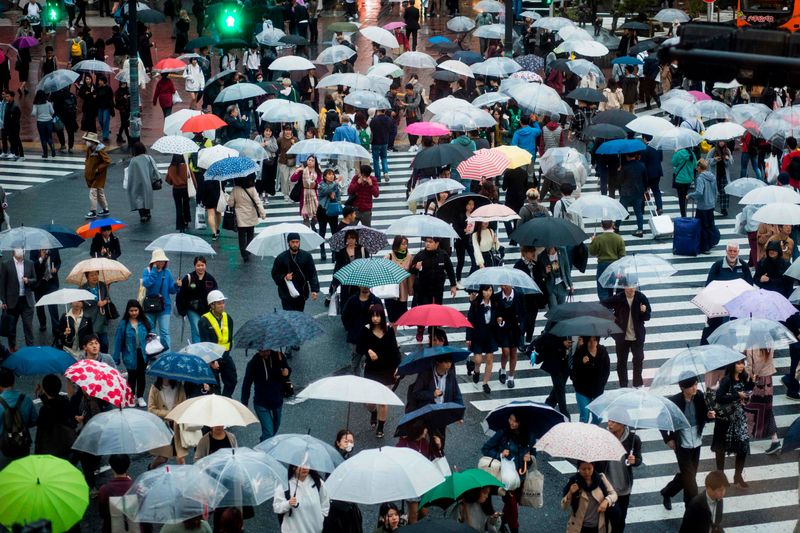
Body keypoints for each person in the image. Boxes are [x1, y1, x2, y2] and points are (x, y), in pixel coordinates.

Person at [661, 377, 716, 510]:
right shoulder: (674, 402)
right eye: (691, 386)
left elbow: (703, 415)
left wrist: (708, 415)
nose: (694, 388)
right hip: (682, 444)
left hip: (696, 442)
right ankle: (691, 508)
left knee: (688, 476)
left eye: (696, 384)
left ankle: (667, 492)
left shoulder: (699, 396)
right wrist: (668, 439)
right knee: (690, 479)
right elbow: (661, 420)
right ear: (682, 388)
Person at [481, 413, 533, 533]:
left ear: (522, 423)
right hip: (506, 477)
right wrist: (500, 455)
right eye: (510, 419)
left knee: (512, 505)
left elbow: (532, 455)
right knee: (513, 506)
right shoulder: (503, 433)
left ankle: (500, 521)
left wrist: (529, 458)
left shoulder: (529, 436)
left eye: (515, 421)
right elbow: (485, 448)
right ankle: (514, 530)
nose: (512, 423)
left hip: (520, 478)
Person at [358, 304, 401, 438]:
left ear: (382, 316)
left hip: (387, 369)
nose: (375, 318)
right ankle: (373, 412)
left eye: (378, 315)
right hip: (372, 370)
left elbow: (395, 351)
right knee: (370, 402)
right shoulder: (365, 330)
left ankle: (381, 427)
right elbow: (359, 348)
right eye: (373, 316)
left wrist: (398, 368)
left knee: (383, 401)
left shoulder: (388, 330)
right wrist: (368, 350)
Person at [406, 352, 463, 449]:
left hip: (442, 413)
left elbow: (456, 394)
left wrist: (459, 414)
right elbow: (416, 393)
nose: (449, 365)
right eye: (445, 362)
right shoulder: (426, 374)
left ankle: (439, 456)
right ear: (438, 362)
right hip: (426, 413)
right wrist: (431, 394)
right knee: (426, 440)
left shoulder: (451, 375)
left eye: (450, 362)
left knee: (440, 440)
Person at [711, 360, 755, 489]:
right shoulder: (726, 380)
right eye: (738, 364)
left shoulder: (744, 377)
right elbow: (719, 397)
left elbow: (747, 392)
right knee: (721, 449)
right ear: (732, 365)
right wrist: (737, 395)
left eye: (743, 363)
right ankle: (721, 477)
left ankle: (738, 475)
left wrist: (752, 382)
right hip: (725, 419)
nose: (741, 366)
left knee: (742, 447)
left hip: (739, 418)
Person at [410, 237, 457, 341]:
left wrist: (453, 285)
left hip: (438, 289)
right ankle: (420, 329)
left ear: (437, 243)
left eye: (430, 242)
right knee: (423, 311)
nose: (427, 244)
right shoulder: (420, 255)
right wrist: (415, 268)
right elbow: (411, 270)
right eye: (426, 241)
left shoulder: (443, 255)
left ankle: (433, 331)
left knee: (436, 311)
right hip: (423, 289)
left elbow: (450, 270)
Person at [605, 285, 650, 388]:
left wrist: (644, 311)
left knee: (638, 359)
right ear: (624, 287)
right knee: (621, 362)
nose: (631, 289)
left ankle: (637, 384)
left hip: (637, 336)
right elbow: (603, 304)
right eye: (629, 287)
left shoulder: (641, 298)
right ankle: (623, 386)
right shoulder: (618, 298)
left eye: (633, 287)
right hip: (621, 337)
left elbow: (647, 317)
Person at [241, 349, 290, 442]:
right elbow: (247, 383)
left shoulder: (279, 356)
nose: (263, 353)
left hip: (277, 400)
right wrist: (244, 402)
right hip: (261, 403)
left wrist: (287, 372)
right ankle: (265, 452)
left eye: (265, 351)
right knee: (269, 433)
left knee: (274, 429)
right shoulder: (254, 362)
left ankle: (262, 444)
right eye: (260, 351)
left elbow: (287, 369)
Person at [604, 419, 642, 532]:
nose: (609, 424)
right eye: (609, 420)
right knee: (607, 518)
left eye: (613, 422)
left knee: (620, 519)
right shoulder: (604, 437)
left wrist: (634, 461)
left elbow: (639, 459)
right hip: (607, 487)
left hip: (624, 487)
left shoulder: (633, 439)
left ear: (622, 424)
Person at [199, 290, 237, 398]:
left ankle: (225, 399)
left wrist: (226, 354)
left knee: (232, 380)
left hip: (225, 355)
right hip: (213, 358)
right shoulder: (204, 321)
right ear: (212, 305)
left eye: (223, 302)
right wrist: (212, 361)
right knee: (215, 386)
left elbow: (229, 339)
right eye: (219, 303)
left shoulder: (228, 318)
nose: (222, 305)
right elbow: (205, 342)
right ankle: (218, 402)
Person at [561, 461, 618, 533]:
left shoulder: (601, 478)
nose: (587, 472)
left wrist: (606, 501)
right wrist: (570, 493)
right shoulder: (574, 481)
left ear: (593, 467)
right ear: (578, 469)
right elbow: (564, 506)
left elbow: (614, 494)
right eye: (583, 469)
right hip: (579, 527)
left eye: (589, 468)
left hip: (598, 526)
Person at [112, 299, 150, 408]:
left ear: (139, 310)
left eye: (136, 310)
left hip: (142, 353)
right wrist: (116, 357)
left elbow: (152, 334)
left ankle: (140, 396)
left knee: (141, 375)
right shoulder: (123, 324)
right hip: (129, 354)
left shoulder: (145, 321)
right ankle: (131, 396)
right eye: (131, 311)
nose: (134, 313)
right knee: (132, 376)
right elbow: (118, 341)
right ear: (127, 311)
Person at [142, 248, 181, 352]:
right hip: (149, 306)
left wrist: (176, 285)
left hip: (164, 306)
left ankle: (167, 355)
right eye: (159, 260)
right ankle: (151, 353)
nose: (162, 262)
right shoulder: (147, 271)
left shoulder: (167, 273)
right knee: (151, 332)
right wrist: (154, 271)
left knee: (164, 332)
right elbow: (147, 283)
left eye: (163, 260)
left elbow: (171, 290)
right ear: (154, 261)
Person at [271, 232, 320, 313]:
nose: (295, 244)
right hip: (286, 292)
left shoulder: (306, 256)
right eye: (293, 242)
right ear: (288, 243)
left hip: (301, 291)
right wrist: (285, 277)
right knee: (288, 315)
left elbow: (312, 273)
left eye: (297, 242)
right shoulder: (281, 258)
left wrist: (314, 290)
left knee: (299, 315)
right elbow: (275, 274)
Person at [273, 466, 330, 532]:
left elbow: (325, 503)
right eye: (301, 464)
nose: (304, 468)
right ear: (294, 467)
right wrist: (288, 503)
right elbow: (277, 507)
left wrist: (321, 519)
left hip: (314, 530)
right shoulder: (284, 484)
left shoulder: (318, 482)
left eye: (307, 464)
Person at [0, 367, 37, 468]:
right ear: (13, 382)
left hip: (3, 447)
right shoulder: (26, 399)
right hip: (22, 443)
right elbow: (34, 421)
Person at [0, 248, 36, 351]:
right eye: (18, 249)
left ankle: (31, 349)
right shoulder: (6, 264)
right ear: (13, 251)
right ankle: (12, 348)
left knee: (28, 327)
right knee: (12, 328)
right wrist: (3, 300)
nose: (21, 251)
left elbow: (35, 279)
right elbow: (2, 284)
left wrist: (28, 280)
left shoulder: (30, 263)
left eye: (22, 249)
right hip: (11, 302)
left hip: (26, 301)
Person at [176, 256, 218, 344]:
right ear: (194, 266)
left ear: (205, 265)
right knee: (197, 329)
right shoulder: (188, 278)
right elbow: (180, 294)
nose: (200, 267)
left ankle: (202, 350)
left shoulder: (210, 279)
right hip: (192, 309)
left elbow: (215, 295)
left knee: (205, 330)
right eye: (198, 265)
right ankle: (197, 352)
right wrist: (182, 311)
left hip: (206, 310)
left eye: (202, 265)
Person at [34, 374, 76, 458]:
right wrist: (41, 394)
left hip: (49, 449)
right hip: (64, 446)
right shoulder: (65, 402)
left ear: (45, 390)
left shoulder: (45, 410)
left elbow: (40, 434)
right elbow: (53, 402)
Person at [466, 285, 498, 395]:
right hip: (478, 335)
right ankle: (476, 370)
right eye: (485, 290)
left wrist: (500, 321)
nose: (488, 293)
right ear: (481, 291)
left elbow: (498, 317)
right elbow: (469, 321)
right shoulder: (475, 304)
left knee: (489, 358)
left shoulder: (495, 303)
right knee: (478, 360)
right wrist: (468, 337)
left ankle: (485, 383)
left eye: (490, 290)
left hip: (490, 335)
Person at [571, 336, 610, 424]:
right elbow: (574, 373)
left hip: (597, 390)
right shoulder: (580, 353)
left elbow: (606, 370)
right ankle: (583, 436)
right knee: (584, 417)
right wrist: (582, 364)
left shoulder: (602, 351)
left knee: (598, 418)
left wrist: (602, 384)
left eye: (594, 340)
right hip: (582, 391)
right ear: (586, 341)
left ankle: (591, 432)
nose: (592, 343)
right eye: (589, 340)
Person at [228, 175, 266, 262]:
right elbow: (258, 202)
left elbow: (230, 204)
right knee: (250, 234)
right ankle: (248, 250)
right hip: (251, 215)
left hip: (240, 216)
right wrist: (262, 213)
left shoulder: (235, 189)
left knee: (241, 236)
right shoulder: (252, 189)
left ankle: (243, 253)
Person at [494, 284, 524, 389]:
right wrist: (498, 319)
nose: (503, 287)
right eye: (502, 285)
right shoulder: (497, 296)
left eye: (505, 284)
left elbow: (524, 312)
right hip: (504, 328)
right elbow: (495, 311)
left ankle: (511, 377)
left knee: (514, 352)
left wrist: (522, 327)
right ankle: (502, 369)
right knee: (505, 351)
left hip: (515, 328)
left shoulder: (519, 295)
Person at [589, 220, 625, 301]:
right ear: (612, 225)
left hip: (602, 265)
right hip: (614, 266)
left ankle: (606, 307)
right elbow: (622, 256)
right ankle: (612, 304)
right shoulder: (618, 238)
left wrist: (593, 241)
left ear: (601, 226)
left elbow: (592, 252)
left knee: (602, 288)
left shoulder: (598, 239)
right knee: (611, 287)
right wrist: (621, 271)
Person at [97, 454, 133, 533]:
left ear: (111, 467)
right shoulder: (136, 487)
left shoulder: (104, 490)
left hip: (112, 527)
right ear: (128, 465)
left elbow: (102, 513)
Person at [126, 141, 161, 223]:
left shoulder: (133, 161)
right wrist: (158, 178)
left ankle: (142, 215)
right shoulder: (148, 158)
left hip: (136, 183)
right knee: (146, 197)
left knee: (139, 198)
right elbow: (154, 169)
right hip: (147, 182)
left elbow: (130, 173)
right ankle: (148, 212)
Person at [80, 270, 112, 353]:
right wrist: (95, 302)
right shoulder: (83, 288)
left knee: (104, 343)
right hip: (90, 318)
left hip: (102, 317)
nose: (95, 277)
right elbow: (82, 301)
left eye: (96, 274)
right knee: (94, 343)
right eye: (92, 275)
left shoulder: (102, 285)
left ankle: (104, 359)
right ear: (87, 277)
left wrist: (104, 302)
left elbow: (108, 298)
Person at [384, 235, 413, 326]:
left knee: (401, 316)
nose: (405, 246)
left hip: (403, 291)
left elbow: (410, 275)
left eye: (406, 244)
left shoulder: (409, 257)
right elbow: (383, 273)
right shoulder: (388, 257)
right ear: (397, 244)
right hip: (390, 292)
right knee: (392, 318)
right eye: (403, 244)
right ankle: (393, 339)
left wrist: (411, 290)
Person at [31, 248, 60, 335]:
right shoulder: (33, 251)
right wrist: (41, 258)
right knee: (40, 306)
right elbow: (32, 267)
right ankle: (42, 323)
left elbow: (58, 262)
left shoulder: (54, 249)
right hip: (39, 284)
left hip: (51, 282)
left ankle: (56, 328)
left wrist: (56, 268)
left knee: (53, 305)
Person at [83, 131, 111, 219]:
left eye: (88, 140)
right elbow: (87, 159)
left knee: (93, 192)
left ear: (93, 142)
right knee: (99, 192)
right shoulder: (89, 149)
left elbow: (107, 161)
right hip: (92, 174)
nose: (86, 142)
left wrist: (98, 169)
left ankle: (93, 211)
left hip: (99, 175)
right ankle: (105, 209)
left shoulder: (99, 150)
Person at [166, 153, 197, 232]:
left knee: (178, 207)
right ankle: (186, 220)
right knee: (186, 204)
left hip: (176, 189)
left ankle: (180, 225)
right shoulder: (186, 166)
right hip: (185, 188)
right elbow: (192, 178)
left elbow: (168, 181)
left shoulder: (171, 168)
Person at [707, 140, 733, 217]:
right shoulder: (713, 150)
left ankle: (723, 209)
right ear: (717, 142)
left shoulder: (727, 150)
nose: (721, 143)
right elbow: (707, 161)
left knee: (725, 192)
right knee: (714, 191)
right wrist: (714, 160)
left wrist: (727, 159)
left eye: (723, 142)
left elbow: (731, 162)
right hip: (714, 174)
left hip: (724, 174)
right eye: (720, 142)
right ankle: (711, 207)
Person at [672, 147, 698, 218]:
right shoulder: (692, 154)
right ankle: (685, 210)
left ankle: (683, 214)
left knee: (681, 198)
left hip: (679, 179)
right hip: (689, 179)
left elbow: (673, 163)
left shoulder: (679, 153)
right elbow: (695, 165)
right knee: (685, 195)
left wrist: (675, 153)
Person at [31, 90, 56, 158]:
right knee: (49, 137)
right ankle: (53, 149)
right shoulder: (48, 103)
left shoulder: (36, 104)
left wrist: (35, 114)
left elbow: (33, 113)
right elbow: (53, 112)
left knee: (43, 138)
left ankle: (45, 154)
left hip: (40, 122)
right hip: (49, 122)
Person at [370, 108, 393, 183]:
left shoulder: (374, 120)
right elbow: (390, 130)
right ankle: (385, 172)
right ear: (385, 111)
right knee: (384, 157)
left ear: (378, 111)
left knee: (376, 159)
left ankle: (378, 177)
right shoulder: (389, 119)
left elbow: (371, 129)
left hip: (375, 141)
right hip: (385, 140)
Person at [277, 125, 299, 200]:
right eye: (286, 130)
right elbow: (278, 150)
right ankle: (285, 194)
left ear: (291, 131)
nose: (288, 132)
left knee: (293, 179)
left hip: (293, 162)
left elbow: (298, 151)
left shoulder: (295, 139)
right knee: (284, 179)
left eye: (289, 130)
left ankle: (292, 194)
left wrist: (294, 145)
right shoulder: (280, 140)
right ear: (284, 131)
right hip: (283, 162)